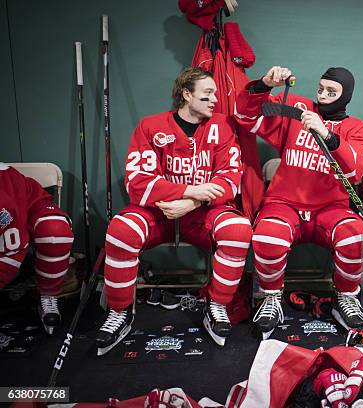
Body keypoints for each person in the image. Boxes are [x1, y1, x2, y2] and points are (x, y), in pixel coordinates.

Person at [95, 67, 252, 353]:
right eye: (208, 93)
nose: (215, 99)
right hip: (159, 212)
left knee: (238, 230)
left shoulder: (222, 126)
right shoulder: (150, 126)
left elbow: (230, 180)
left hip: (202, 213)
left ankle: (216, 306)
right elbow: (137, 182)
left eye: (215, 93)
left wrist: (192, 203)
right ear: (186, 94)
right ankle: (119, 312)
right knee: (121, 230)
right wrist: (188, 191)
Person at [234, 65, 363, 335]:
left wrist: (328, 135)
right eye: (320, 89)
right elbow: (246, 116)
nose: (323, 95)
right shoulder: (298, 108)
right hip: (284, 203)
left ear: (346, 95)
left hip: (330, 208)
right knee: (268, 236)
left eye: (331, 91)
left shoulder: (359, 129)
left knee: (356, 237)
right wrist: (264, 84)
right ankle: (271, 296)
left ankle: (345, 296)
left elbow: (355, 171)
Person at [0, 163, 74, 335]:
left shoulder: (3, 191)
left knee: (55, 232)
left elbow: (12, 249)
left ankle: (49, 294)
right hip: (12, 209)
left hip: (28, 205)